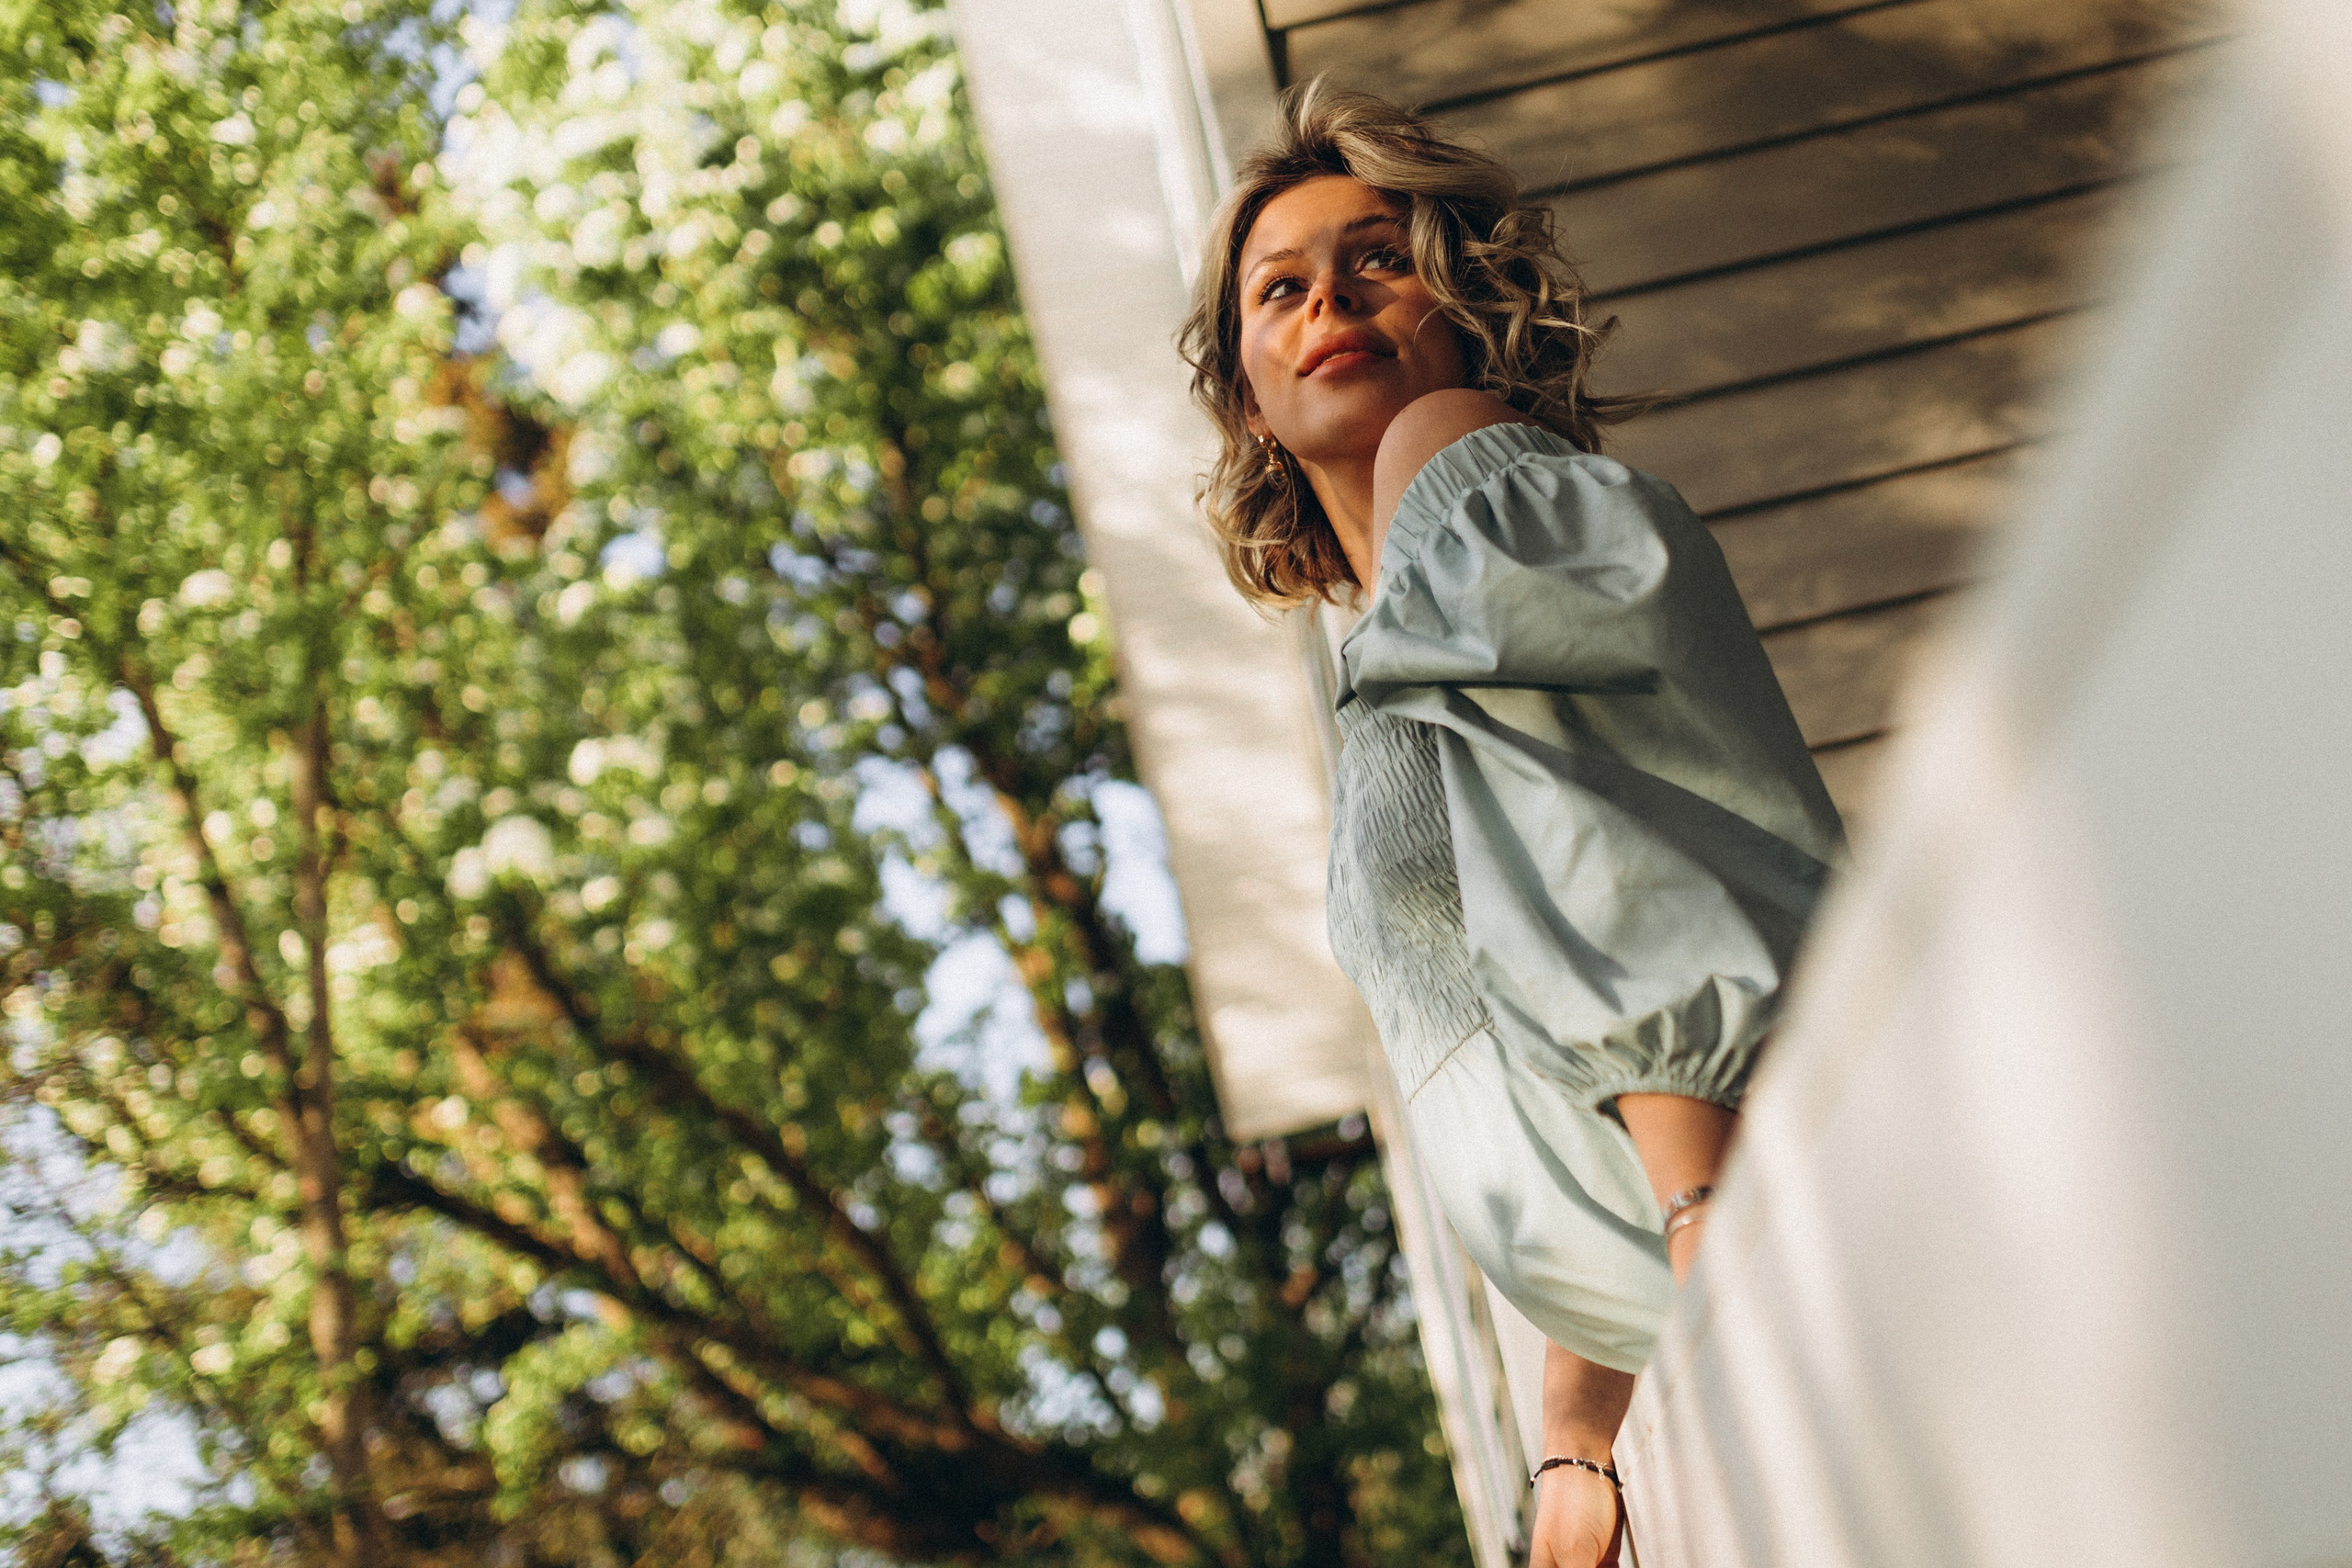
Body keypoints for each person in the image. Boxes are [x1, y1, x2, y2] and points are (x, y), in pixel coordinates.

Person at [1178, 85, 1846, 1568]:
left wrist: (1703, 1219)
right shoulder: (1391, 650)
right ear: (1249, 397)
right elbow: (1522, 1045)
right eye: (1280, 289)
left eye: (1378, 259)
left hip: (1758, 1219)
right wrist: (1577, 1437)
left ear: (1466, 308)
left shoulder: (1465, 464)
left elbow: (1613, 854)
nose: (1330, 301)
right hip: (1687, 1266)